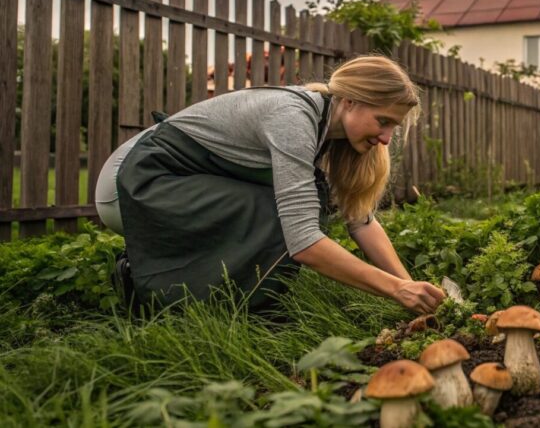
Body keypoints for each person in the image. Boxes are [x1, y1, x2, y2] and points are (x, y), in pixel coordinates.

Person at [95, 55, 445, 314]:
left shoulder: (331, 130)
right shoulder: (293, 118)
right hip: (135, 182)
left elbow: (361, 220)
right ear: (350, 101)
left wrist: (412, 290)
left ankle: (220, 305)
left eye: (392, 127)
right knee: (280, 215)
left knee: (293, 205)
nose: (385, 138)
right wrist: (395, 290)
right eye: (382, 121)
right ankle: (138, 284)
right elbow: (304, 242)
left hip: (176, 182)